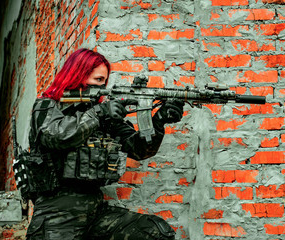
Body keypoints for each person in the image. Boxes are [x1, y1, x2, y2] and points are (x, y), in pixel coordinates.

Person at [25, 48, 184, 239]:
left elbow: (139, 149)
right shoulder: (47, 106)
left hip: (96, 212)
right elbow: (56, 136)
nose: (103, 87)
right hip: (56, 213)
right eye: (98, 80)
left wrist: (158, 120)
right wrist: (99, 113)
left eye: (104, 81)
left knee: (154, 232)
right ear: (77, 76)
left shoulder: (103, 114)